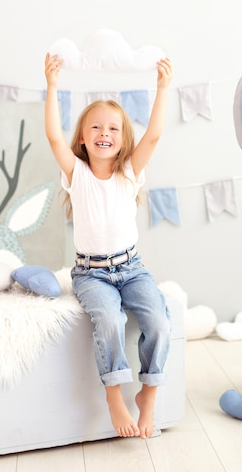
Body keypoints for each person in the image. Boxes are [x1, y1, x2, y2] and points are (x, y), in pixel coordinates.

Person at [44, 52, 173, 440]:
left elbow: (153, 134)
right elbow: (53, 135)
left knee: (159, 322)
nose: (104, 133)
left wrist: (162, 88)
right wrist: (52, 86)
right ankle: (115, 393)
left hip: (132, 269)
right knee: (110, 320)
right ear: (83, 137)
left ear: (122, 139)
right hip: (91, 274)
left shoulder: (129, 172)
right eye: (96, 127)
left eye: (113, 128)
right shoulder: (77, 173)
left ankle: (148, 393)